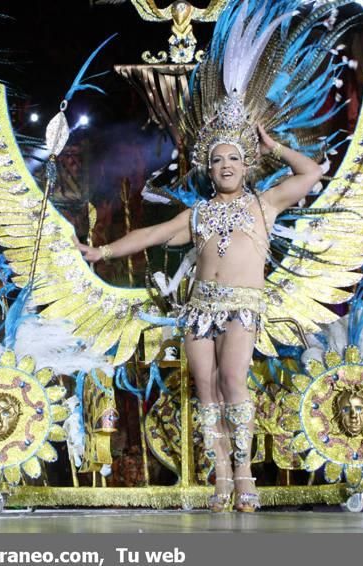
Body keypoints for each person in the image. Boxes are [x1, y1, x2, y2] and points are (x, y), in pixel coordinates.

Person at [77, 125, 322, 511]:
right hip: (199, 310)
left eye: (234, 158)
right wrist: (102, 252)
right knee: (206, 394)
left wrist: (274, 147)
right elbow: (152, 233)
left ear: (247, 165)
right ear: (209, 169)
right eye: (217, 160)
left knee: (232, 381)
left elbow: (311, 173)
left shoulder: (265, 203)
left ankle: (244, 475)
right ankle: (221, 477)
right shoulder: (199, 214)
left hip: (242, 306)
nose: (226, 165)